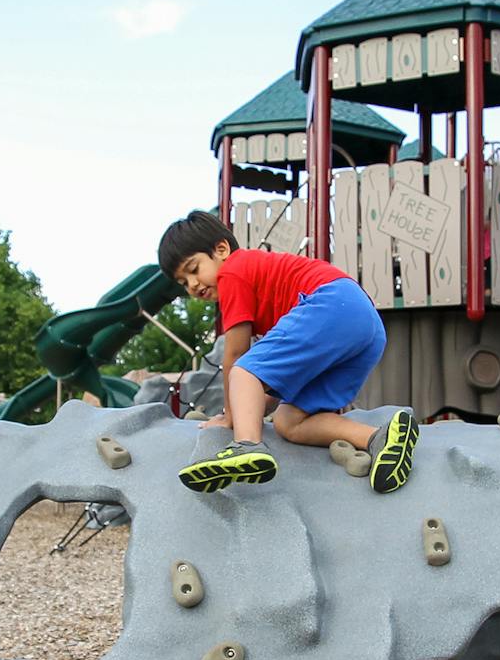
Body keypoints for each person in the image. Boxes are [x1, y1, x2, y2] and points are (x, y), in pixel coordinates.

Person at [158, 210, 418, 496]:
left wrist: (231, 419)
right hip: (365, 325)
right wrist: (254, 408)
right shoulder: (262, 283)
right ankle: (381, 438)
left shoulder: (233, 270)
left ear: (221, 250)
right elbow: (269, 390)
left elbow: (235, 354)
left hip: (330, 303)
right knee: (289, 422)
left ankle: (246, 446)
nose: (192, 285)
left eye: (193, 270)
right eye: (183, 282)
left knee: (244, 370)